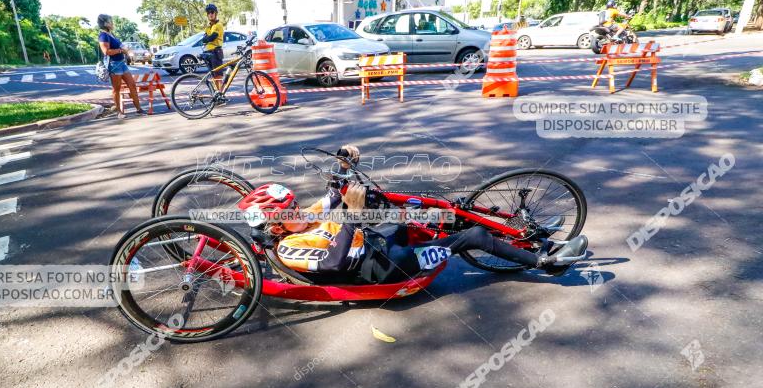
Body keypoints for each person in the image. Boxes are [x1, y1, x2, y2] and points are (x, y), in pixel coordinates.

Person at [238, 145, 589, 284]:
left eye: (295, 204)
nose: (299, 209)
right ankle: (545, 261)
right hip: (387, 265)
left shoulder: (306, 216)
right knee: (472, 237)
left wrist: (344, 164)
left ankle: (520, 230)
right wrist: (353, 217)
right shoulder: (289, 246)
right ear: (276, 224)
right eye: (290, 211)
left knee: (440, 214)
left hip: (377, 242)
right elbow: (331, 264)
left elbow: (332, 195)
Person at [97, 14, 144, 119]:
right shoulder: (103, 36)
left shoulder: (111, 34)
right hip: (114, 65)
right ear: (105, 23)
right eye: (110, 21)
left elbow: (120, 45)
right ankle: (119, 113)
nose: (112, 23)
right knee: (116, 89)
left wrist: (125, 50)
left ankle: (139, 109)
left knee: (132, 85)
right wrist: (120, 50)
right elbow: (106, 51)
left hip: (121, 64)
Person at [201, 4, 225, 94]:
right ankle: (217, 93)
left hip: (216, 51)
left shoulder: (218, 25)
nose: (210, 14)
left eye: (212, 12)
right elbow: (204, 39)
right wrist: (207, 38)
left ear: (216, 13)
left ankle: (220, 94)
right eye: (208, 13)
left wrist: (207, 38)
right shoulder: (208, 27)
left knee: (218, 75)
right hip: (208, 52)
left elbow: (211, 38)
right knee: (213, 76)